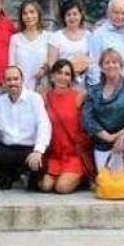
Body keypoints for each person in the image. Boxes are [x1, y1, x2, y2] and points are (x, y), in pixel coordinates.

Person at [0, 65, 52, 190]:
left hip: (28, 150)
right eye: (8, 80)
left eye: (15, 79)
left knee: (39, 168)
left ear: (22, 80)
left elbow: (44, 125)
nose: (12, 82)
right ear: (3, 83)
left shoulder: (35, 99)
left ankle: (27, 178)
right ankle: (5, 180)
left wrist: (38, 151)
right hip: (6, 150)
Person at [81, 48, 124, 176]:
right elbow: (88, 119)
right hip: (104, 141)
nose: (111, 65)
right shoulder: (94, 91)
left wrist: (121, 137)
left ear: (121, 65)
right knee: (109, 181)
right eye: (107, 62)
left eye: (115, 62)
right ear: (101, 67)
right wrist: (108, 137)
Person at [39, 59, 88, 193]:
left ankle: (82, 177)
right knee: (45, 186)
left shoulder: (78, 97)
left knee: (62, 188)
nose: (63, 77)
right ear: (52, 76)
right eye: (59, 72)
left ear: (71, 78)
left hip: (73, 154)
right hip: (54, 155)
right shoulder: (44, 98)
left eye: (67, 74)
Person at [47, 1, 92, 86]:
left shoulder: (89, 36)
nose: (72, 17)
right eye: (68, 14)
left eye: (75, 14)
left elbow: (92, 59)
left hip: (84, 84)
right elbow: (51, 64)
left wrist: (81, 69)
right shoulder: (55, 37)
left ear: (80, 15)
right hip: (62, 83)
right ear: (64, 18)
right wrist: (67, 73)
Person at [9, 0, 49, 92]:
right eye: (25, 13)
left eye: (32, 12)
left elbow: (53, 62)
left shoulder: (48, 37)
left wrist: (44, 69)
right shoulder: (15, 38)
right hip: (20, 89)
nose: (29, 16)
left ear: (38, 14)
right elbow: (11, 65)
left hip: (42, 88)